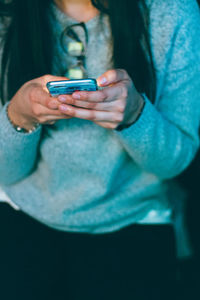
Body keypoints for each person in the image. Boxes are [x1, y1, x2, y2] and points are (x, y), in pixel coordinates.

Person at [0, 0, 200, 299]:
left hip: (135, 222)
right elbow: (7, 172)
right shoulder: (10, 12)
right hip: (21, 215)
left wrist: (135, 115)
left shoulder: (172, 12)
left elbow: (173, 163)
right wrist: (19, 115)